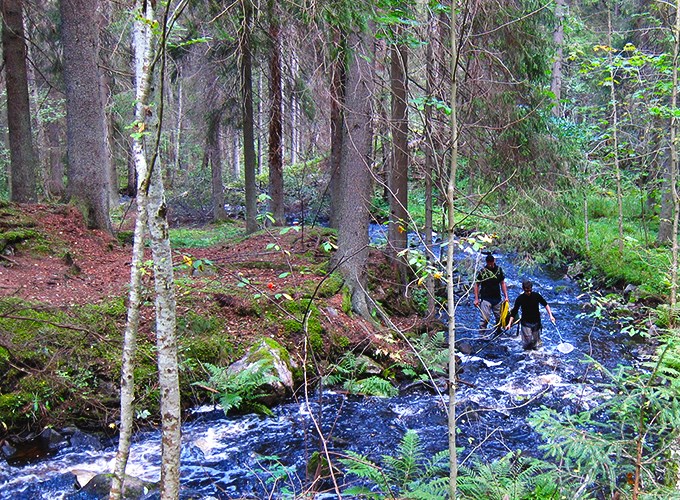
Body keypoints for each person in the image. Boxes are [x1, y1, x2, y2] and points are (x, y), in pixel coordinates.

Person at [506, 280, 555, 350]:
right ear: (523, 289)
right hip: (526, 323)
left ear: (531, 289)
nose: (528, 292)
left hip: (536, 322)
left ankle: (535, 356)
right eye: (526, 291)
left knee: (536, 343)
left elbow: (545, 304)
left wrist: (551, 315)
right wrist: (509, 323)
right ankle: (526, 355)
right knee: (528, 342)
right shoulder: (520, 298)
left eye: (530, 290)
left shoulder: (536, 296)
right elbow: (514, 311)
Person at [473, 254, 509, 335]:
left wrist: (506, 296)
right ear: (486, 262)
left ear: (494, 261)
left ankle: (498, 330)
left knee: (499, 317)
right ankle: (481, 334)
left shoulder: (499, 270)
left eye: (491, 263)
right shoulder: (483, 271)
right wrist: (476, 298)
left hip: (497, 298)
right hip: (486, 298)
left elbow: (502, 283)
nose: (490, 265)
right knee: (485, 318)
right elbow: (477, 284)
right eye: (488, 263)